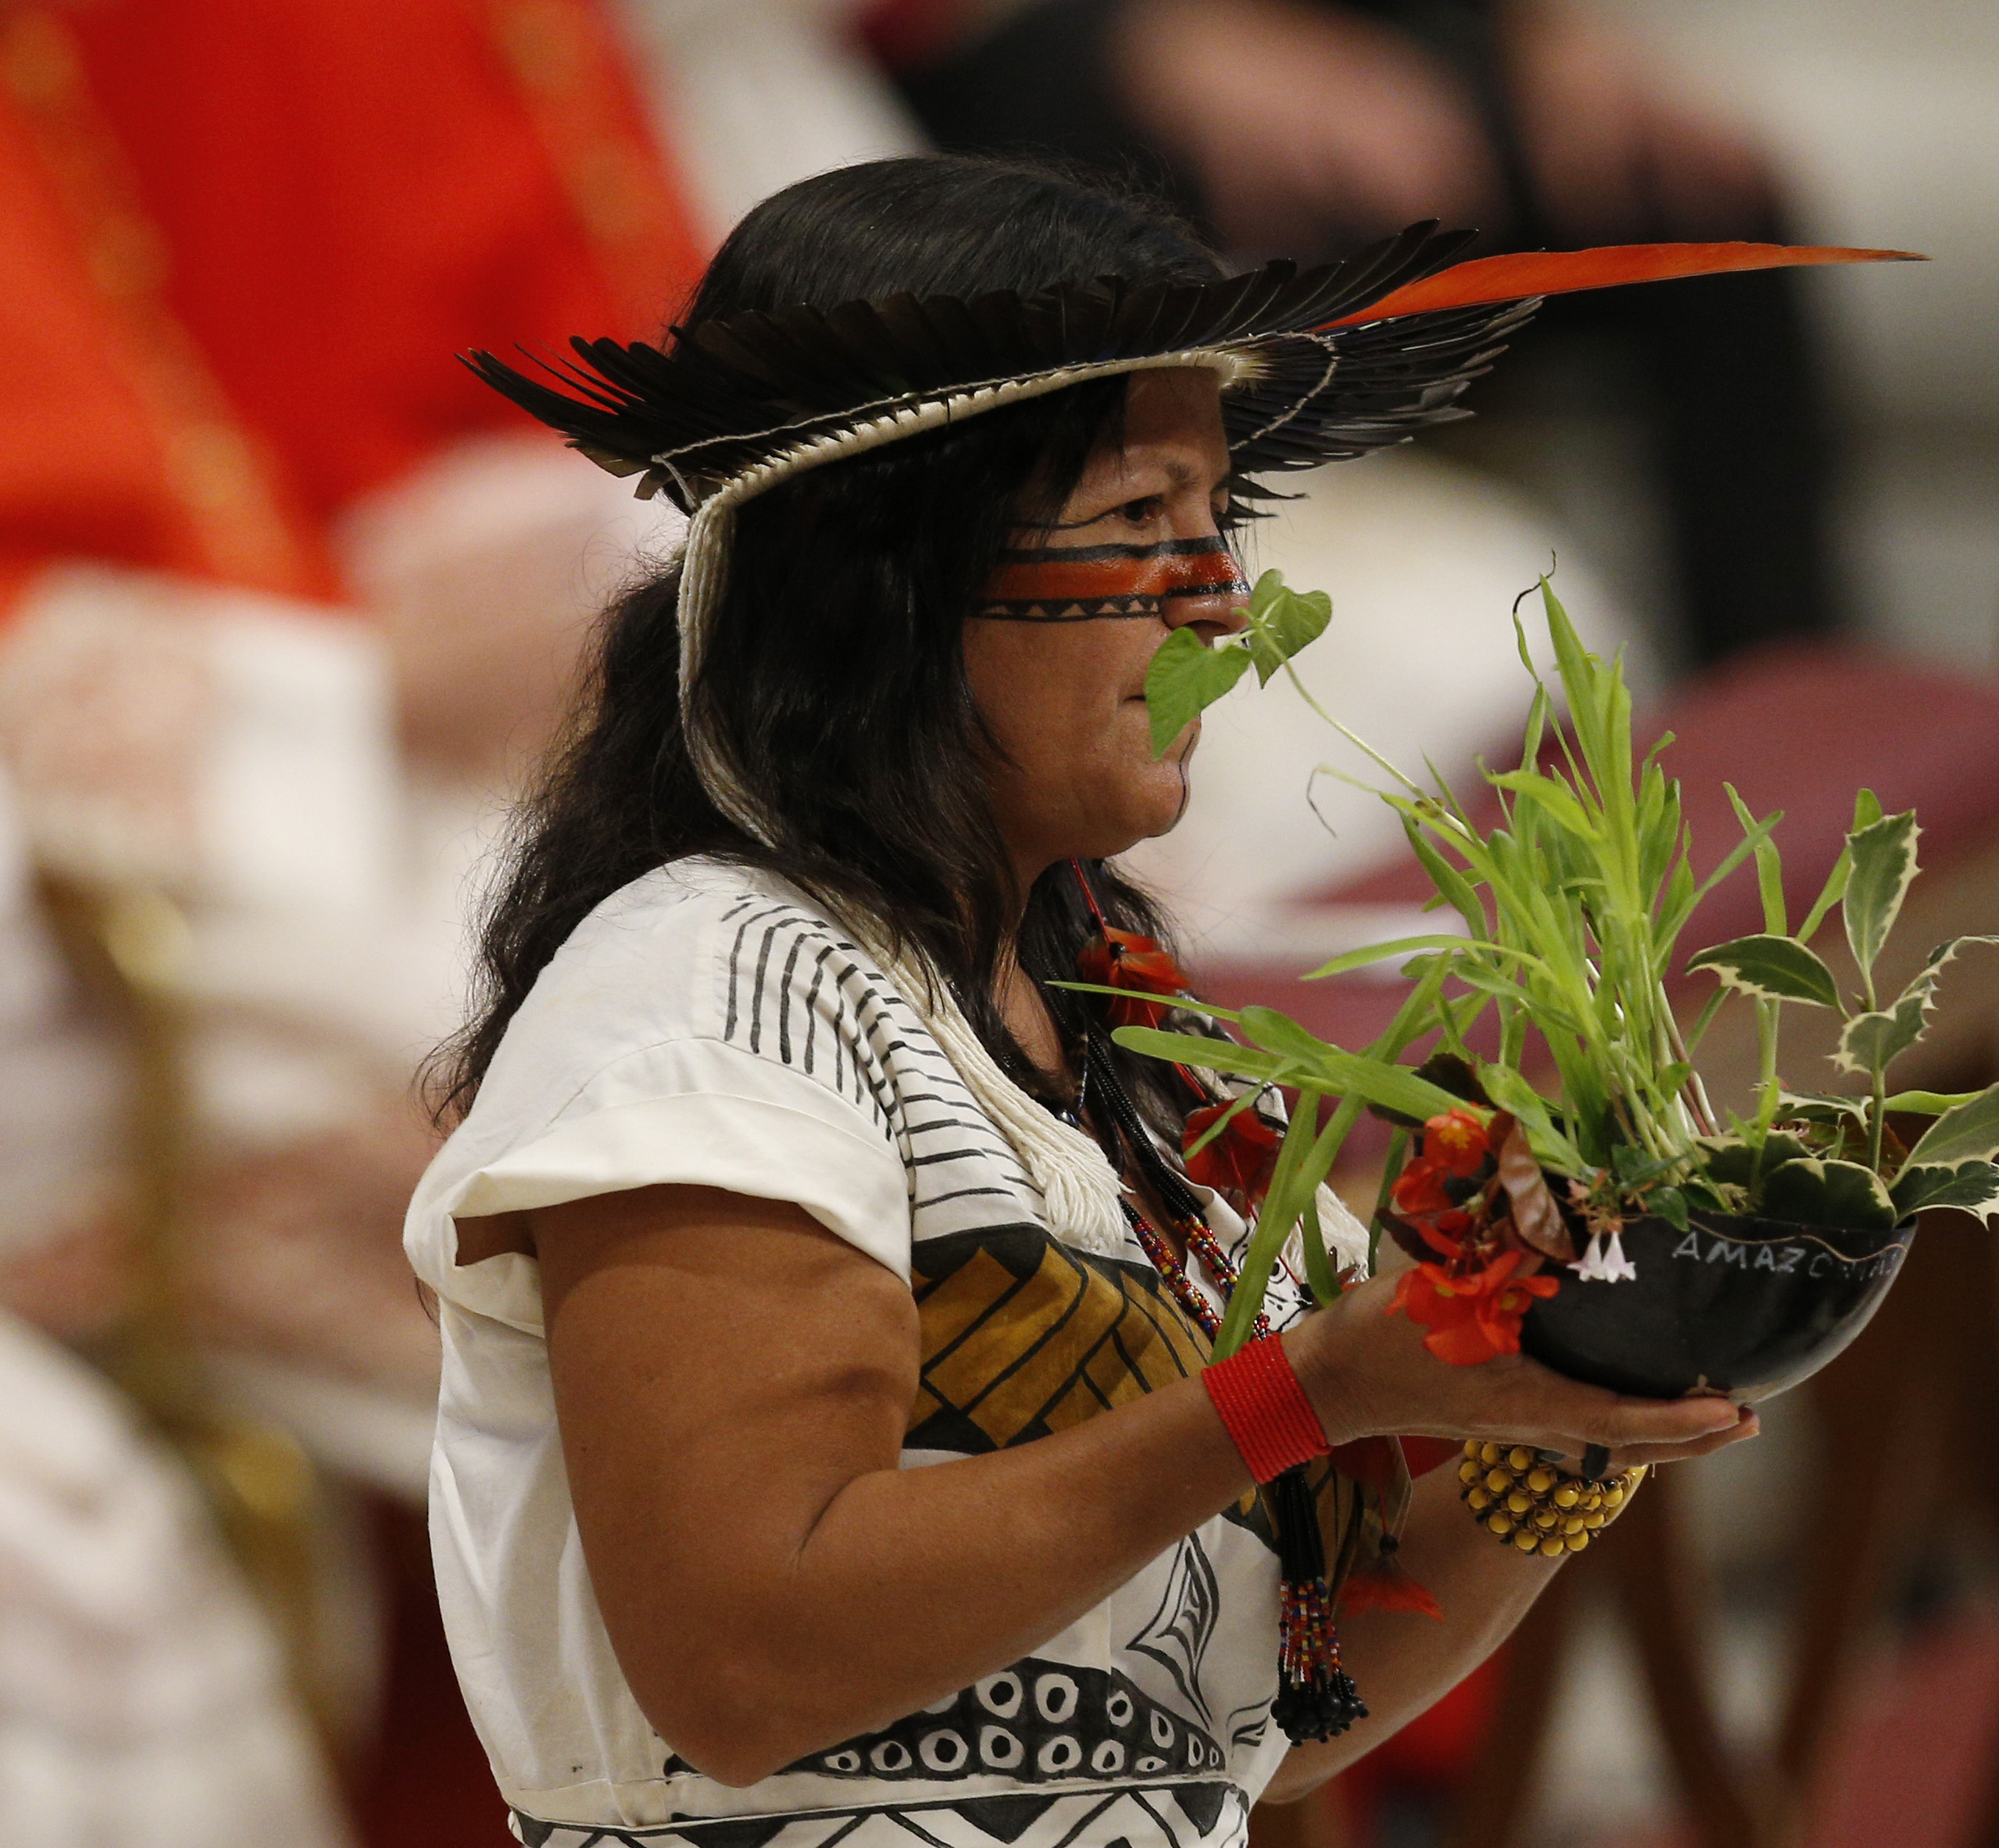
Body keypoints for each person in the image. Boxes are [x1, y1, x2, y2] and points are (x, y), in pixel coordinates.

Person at [403, 155, 1887, 1843]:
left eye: (1217, 525)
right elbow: (747, 1662)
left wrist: (1571, 1411)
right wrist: (1309, 1390)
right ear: (881, 577)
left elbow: (1255, 1720)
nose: (1224, 605)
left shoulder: (1112, 1037)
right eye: (1135, 525)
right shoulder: (711, 990)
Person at [870, 0, 1836, 666]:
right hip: (1028, 57)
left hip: (1351, 41)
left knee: (1712, 219)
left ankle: (1794, 722)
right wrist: (1148, 34)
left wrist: (1544, 33)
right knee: (1300, 226)